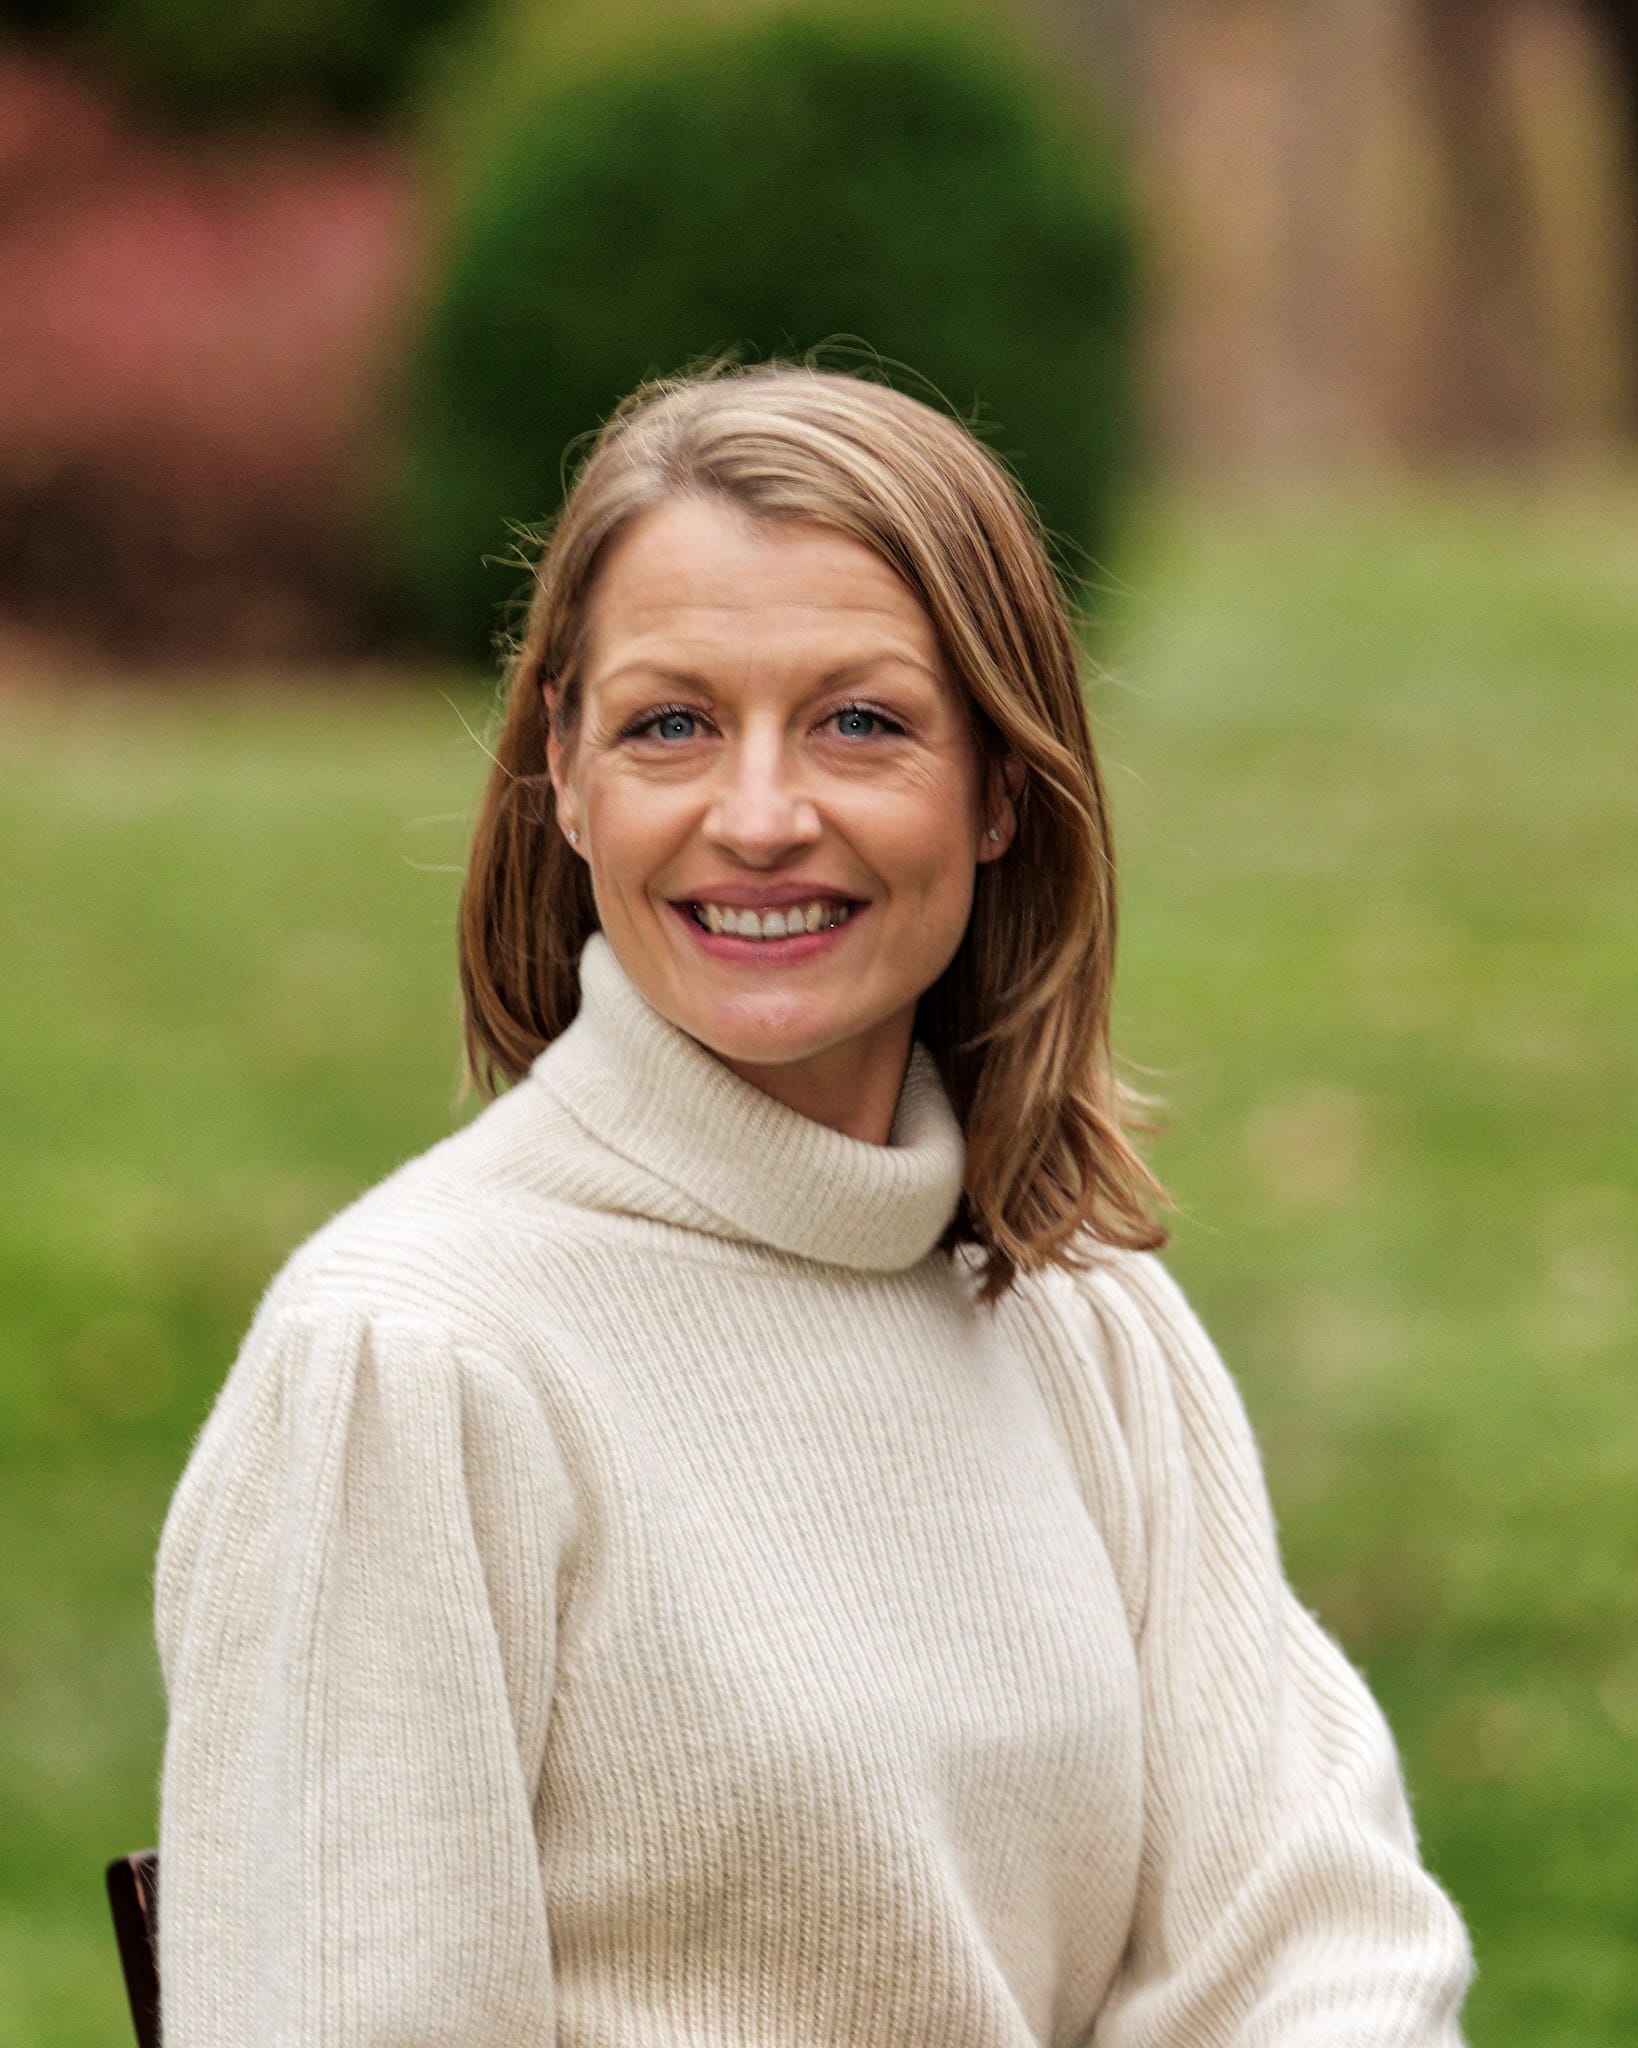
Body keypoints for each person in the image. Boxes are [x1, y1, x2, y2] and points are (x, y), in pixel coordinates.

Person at [153, 362, 1473, 2046]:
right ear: (565, 773)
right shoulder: (407, 1363)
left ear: (999, 787)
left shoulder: (1080, 1314)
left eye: (860, 723)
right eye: (670, 725)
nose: (761, 818)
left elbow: (1316, 1945)